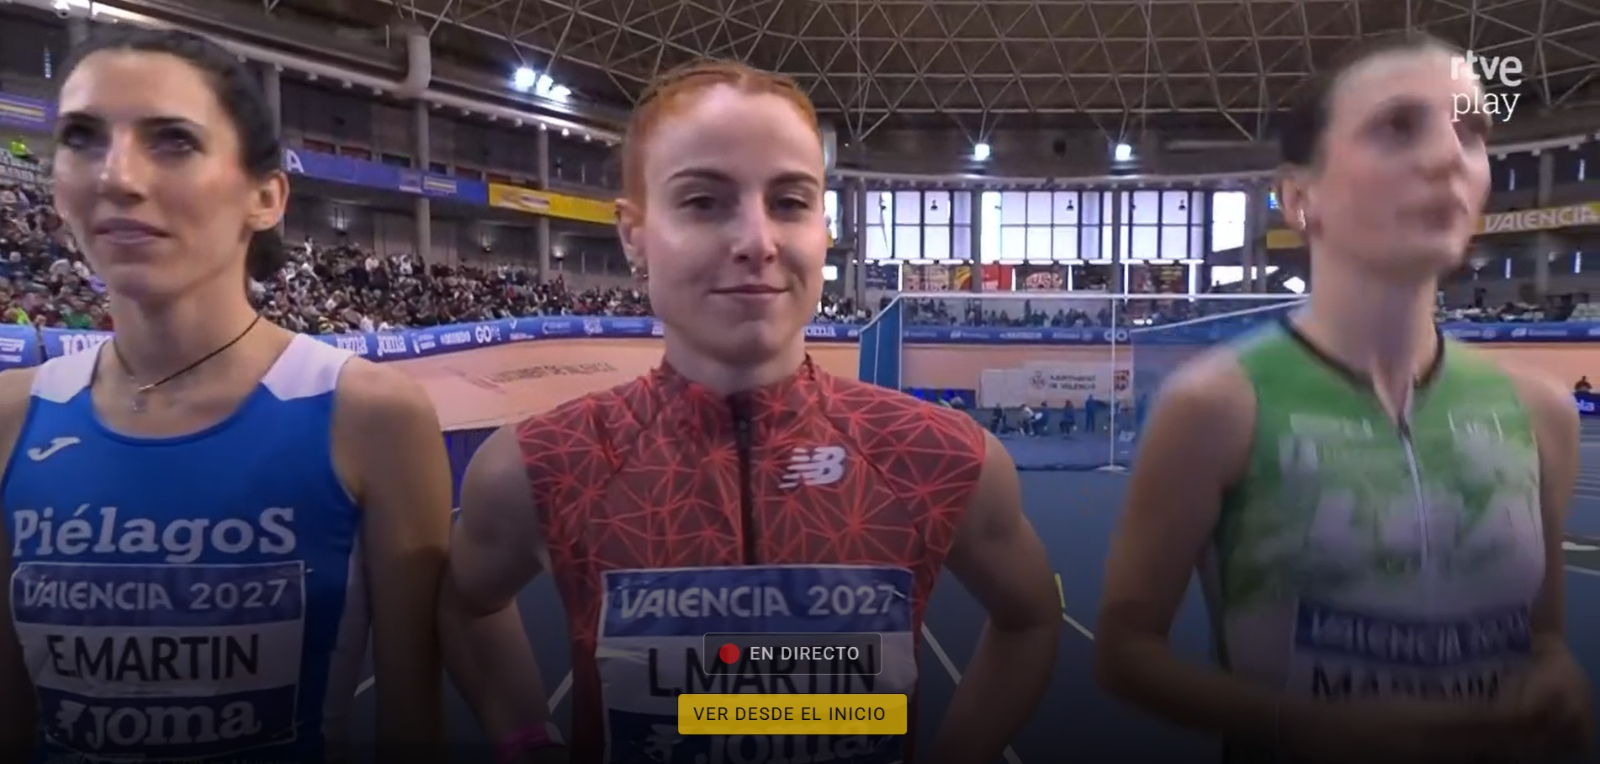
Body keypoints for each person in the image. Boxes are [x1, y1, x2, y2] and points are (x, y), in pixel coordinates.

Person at [440, 59, 1061, 764]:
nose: (758, 241)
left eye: (791, 202)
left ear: (824, 228)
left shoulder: (941, 458)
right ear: (633, 233)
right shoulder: (538, 468)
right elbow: (468, 605)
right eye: (704, 202)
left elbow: (1032, 618)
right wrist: (525, 740)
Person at [1095, 33, 1593, 764]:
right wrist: (1294, 723)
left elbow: (1543, 634)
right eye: (1398, 125)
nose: (1449, 156)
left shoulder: (1540, 414)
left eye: (1472, 130)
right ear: (1301, 196)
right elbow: (1125, 649)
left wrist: (1557, 675)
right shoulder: (1215, 407)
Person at [0, 28, 452, 763]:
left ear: (266, 196)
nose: (116, 176)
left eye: (172, 140)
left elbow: (412, 724)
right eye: (82, 137)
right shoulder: (10, 417)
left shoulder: (373, 415)